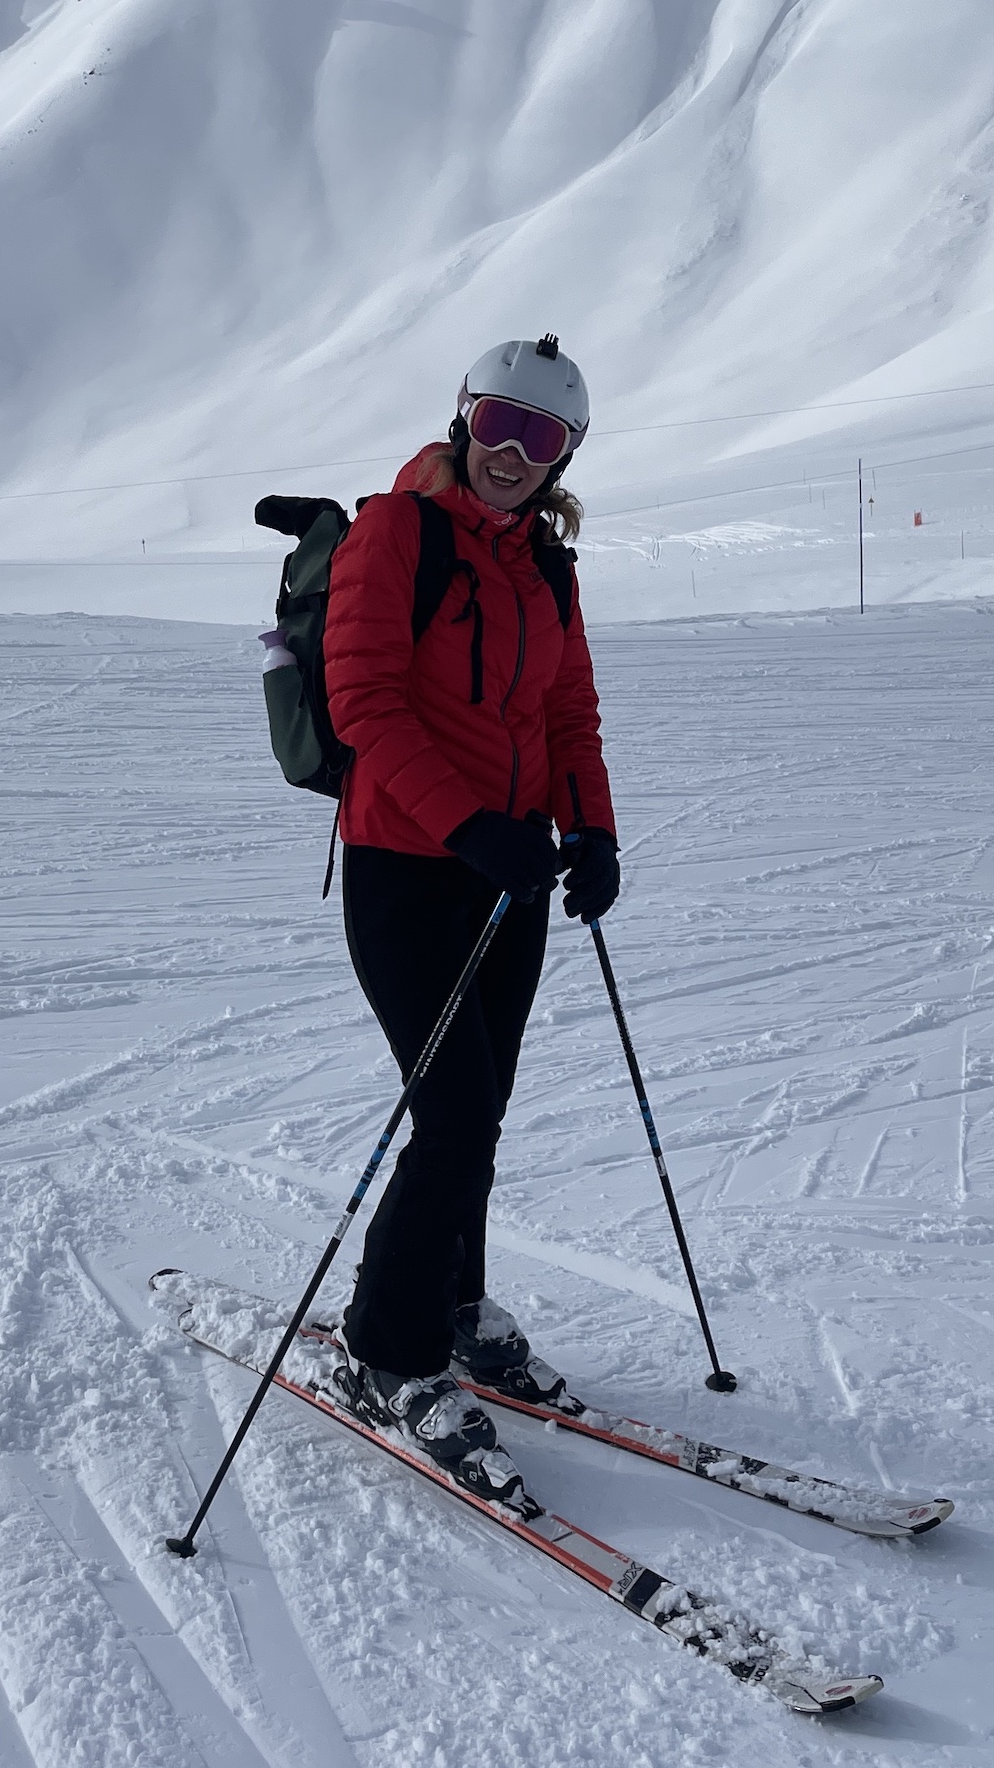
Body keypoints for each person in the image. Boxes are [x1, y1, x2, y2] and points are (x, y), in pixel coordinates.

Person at [321, 334, 620, 1503]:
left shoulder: (548, 563)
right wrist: (463, 824)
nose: (509, 452)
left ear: (562, 456)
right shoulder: (393, 532)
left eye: (537, 437)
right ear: (460, 417)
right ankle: (386, 1348)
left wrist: (587, 830)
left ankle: (452, 1302)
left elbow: (566, 708)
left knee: (480, 1106)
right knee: (447, 1110)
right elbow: (364, 702)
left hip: (509, 870)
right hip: (405, 865)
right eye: (495, 423)